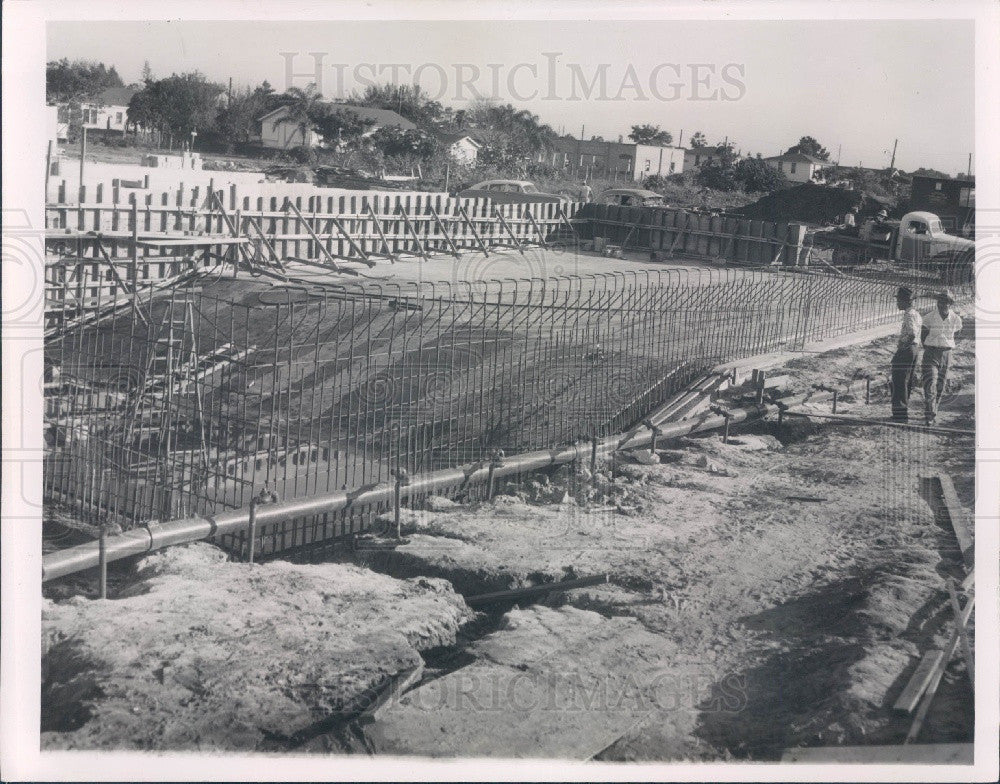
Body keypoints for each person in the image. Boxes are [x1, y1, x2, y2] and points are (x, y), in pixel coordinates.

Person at [920, 290, 963, 425]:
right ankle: (929, 415)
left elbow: (958, 334)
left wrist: (947, 346)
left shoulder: (956, 319)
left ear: (950, 303)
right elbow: (923, 335)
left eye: (945, 301)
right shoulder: (929, 317)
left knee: (940, 385)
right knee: (930, 383)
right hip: (931, 353)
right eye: (940, 301)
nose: (942, 304)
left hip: (946, 354)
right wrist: (930, 348)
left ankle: (934, 411)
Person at [889, 286, 922, 422]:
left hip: (907, 349)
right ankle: (902, 412)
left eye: (899, 300)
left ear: (905, 301)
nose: (897, 303)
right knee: (906, 381)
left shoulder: (909, 315)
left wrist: (902, 346)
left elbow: (912, 333)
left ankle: (900, 415)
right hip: (914, 349)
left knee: (899, 381)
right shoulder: (916, 313)